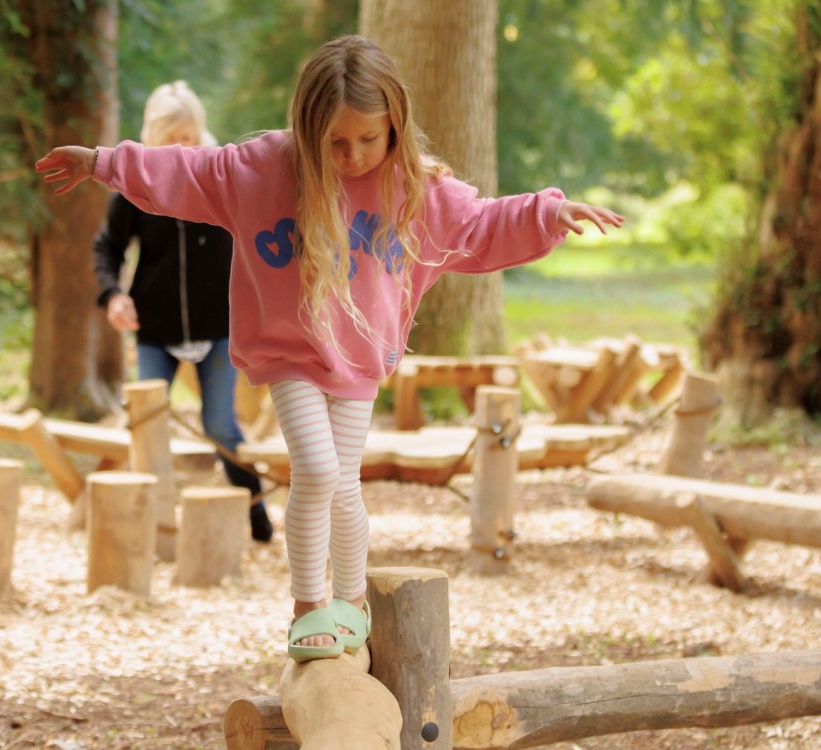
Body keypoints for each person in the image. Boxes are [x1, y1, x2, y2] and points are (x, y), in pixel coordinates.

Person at [36, 35, 623, 661]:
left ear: (394, 126)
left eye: (369, 139)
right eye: (335, 141)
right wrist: (101, 161)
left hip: (359, 355)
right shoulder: (264, 168)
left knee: (345, 483)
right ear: (307, 126)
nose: (352, 155)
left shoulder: (411, 186)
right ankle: (307, 605)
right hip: (288, 350)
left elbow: (478, 222)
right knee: (316, 469)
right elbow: (181, 170)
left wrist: (547, 214)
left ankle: (352, 603)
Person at [93, 81, 274, 543]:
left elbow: (257, 237)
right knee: (148, 421)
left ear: (201, 134)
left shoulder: (224, 179)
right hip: (154, 328)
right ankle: (146, 526)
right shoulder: (133, 187)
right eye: (171, 139)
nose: (181, 148)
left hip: (218, 325)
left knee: (218, 424)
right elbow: (107, 247)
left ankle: (254, 506)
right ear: (153, 138)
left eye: (189, 138)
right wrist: (114, 294)